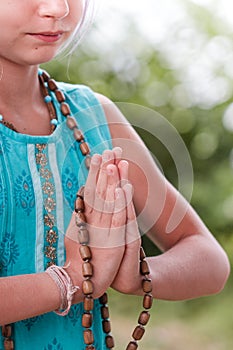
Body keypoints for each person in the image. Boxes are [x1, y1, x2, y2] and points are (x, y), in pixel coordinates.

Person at [0, 0, 230, 349]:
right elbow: (82, 277)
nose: (58, 8)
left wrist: (138, 274)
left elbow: (209, 259)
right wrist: (75, 278)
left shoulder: (93, 116)